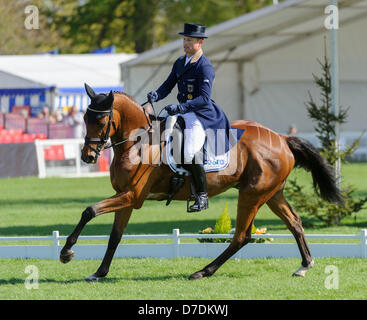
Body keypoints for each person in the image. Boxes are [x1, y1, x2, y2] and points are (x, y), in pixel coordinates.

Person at [147, 23, 232, 212]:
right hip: (182, 111)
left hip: (199, 115)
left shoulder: (205, 67)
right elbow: (168, 85)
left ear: (200, 43)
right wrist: (156, 95)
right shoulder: (180, 62)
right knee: (161, 138)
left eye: (190, 40)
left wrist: (180, 106)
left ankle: (202, 197)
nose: (186, 43)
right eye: (185, 39)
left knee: (187, 153)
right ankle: (174, 178)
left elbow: (204, 99)